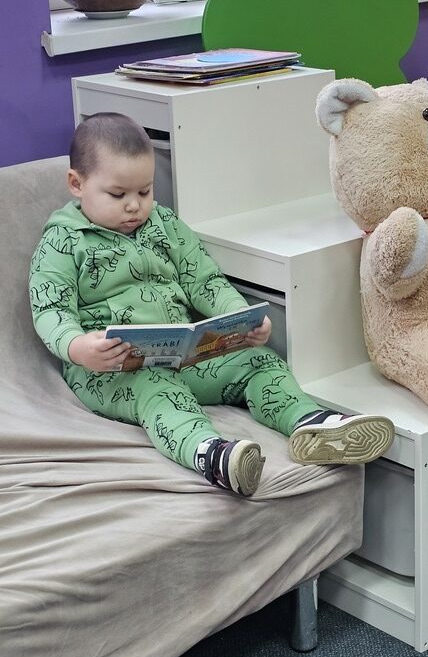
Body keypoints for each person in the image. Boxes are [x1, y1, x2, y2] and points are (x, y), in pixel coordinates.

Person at [29, 113, 395, 496]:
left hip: (183, 357)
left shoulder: (164, 224)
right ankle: (212, 455)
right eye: (118, 195)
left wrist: (239, 318)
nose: (135, 206)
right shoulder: (62, 242)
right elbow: (51, 310)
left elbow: (203, 280)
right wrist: (79, 348)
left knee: (259, 361)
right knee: (159, 391)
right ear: (77, 184)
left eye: (145, 191)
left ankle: (311, 424)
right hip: (110, 372)